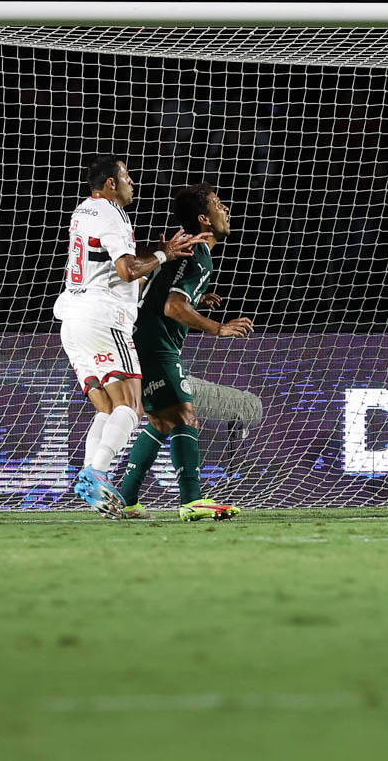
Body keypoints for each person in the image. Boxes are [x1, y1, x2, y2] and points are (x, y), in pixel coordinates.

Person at [54, 155, 206, 517]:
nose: (131, 182)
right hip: (103, 319)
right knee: (131, 407)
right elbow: (126, 270)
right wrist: (164, 254)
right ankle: (97, 472)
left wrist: (152, 261)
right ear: (110, 184)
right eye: (126, 177)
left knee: (107, 408)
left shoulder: (84, 211)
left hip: (73, 321)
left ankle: (92, 480)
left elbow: (111, 263)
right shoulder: (111, 214)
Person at [115, 183, 254, 521]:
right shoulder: (199, 254)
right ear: (205, 219)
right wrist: (217, 327)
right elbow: (173, 307)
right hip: (155, 346)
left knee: (163, 421)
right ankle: (192, 499)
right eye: (219, 204)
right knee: (185, 416)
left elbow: (156, 287)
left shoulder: (186, 247)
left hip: (141, 341)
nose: (227, 210)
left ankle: (126, 498)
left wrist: (197, 298)